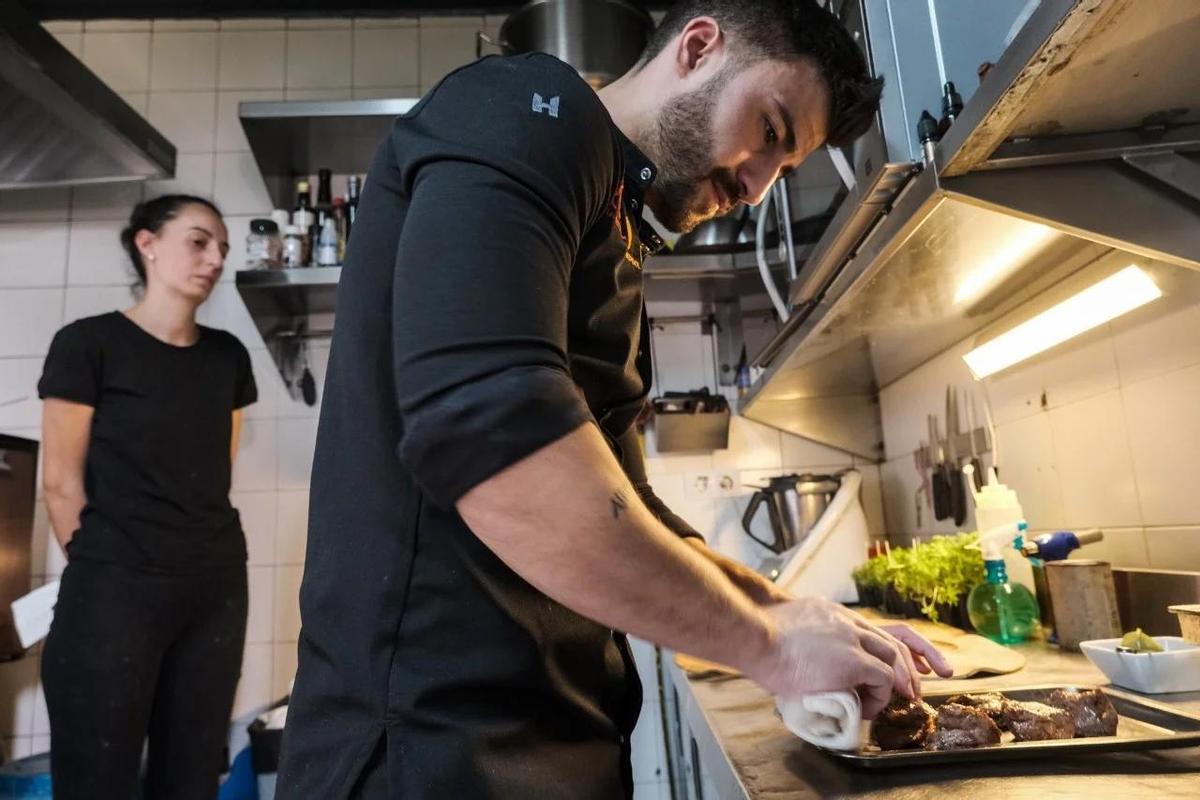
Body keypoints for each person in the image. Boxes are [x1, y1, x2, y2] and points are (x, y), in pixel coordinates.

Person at [278, 2, 951, 797]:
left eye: (783, 170)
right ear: (699, 47)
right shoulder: (527, 109)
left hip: (547, 748)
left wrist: (789, 612)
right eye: (769, 131)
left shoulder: (615, 223)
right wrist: (768, 644)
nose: (755, 186)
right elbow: (495, 448)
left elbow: (624, 499)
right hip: (430, 752)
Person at [38, 195, 257, 799]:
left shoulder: (227, 359)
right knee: (96, 780)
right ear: (147, 243)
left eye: (222, 248)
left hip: (214, 586)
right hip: (113, 588)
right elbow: (59, 481)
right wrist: (109, 567)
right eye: (198, 240)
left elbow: (219, 468)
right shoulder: (89, 344)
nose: (214, 258)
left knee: (188, 779)